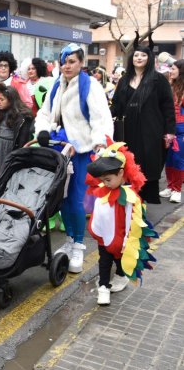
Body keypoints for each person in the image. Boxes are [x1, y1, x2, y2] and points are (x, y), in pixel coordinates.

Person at [35, 43, 113, 274]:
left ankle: (79, 244)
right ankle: (70, 240)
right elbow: (45, 113)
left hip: (81, 152)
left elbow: (100, 118)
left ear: (80, 63)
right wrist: (42, 130)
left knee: (77, 200)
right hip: (58, 149)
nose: (67, 66)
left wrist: (100, 145)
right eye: (64, 62)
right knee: (61, 199)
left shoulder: (91, 86)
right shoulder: (57, 85)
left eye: (71, 61)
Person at [86, 141, 158, 305]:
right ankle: (103, 288)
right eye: (103, 180)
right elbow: (96, 204)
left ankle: (121, 274)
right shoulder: (102, 190)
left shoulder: (129, 197)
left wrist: (127, 240)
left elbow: (130, 218)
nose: (105, 183)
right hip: (105, 236)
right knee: (104, 261)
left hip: (121, 238)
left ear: (121, 174)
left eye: (108, 179)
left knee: (120, 260)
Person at [111, 45, 175, 203]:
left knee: (147, 164)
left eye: (143, 56)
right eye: (136, 55)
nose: (139, 58)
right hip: (127, 131)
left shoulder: (158, 79)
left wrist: (169, 131)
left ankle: (142, 202)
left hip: (151, 130)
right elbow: (117, 105)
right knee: (127, 163)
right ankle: (128, 200)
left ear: (149, 59)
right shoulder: (124, 80)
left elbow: (167, 107)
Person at [0, 82, 34, 179]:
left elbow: (24, 138)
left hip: (12, 147)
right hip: (0, 145)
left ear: (11, 100)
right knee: (0, 171)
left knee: (11, 173)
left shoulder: (22, 116)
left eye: (2, 99)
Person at [160, 59, 184, 203]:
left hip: (181, 130)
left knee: (178, 160)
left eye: (173, 68)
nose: (171, 71)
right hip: (168, 128)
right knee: (168, 160)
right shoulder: (170, 86)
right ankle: (170, 186)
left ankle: (177, 189)